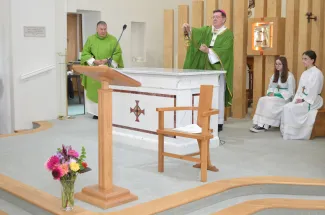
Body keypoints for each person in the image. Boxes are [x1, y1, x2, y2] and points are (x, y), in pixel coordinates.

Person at [182, 9, 234, 132]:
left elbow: (225, 51)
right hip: (204, 68)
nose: (214, 19)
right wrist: (188, 29)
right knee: (203, 94)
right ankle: (203, 119)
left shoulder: (228, 34)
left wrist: (209, 51)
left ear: (224, 19)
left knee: (218, 95)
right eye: (213, 17)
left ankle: (218, 121)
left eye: (217, 17)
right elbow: (196, 34)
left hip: (217, 68)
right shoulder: (206, 30)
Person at [80, 21, 124, 119]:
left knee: (108, 90)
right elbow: (85, 53)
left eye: (105, 29)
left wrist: (107, 60)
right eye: (101, 29)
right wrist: (94, 61)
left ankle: (108, 112)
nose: (103, 31)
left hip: (108, 70)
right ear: (97, 29)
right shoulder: (91, 39)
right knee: (95, 90)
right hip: (95, 71)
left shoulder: (113, 40)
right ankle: (96, 113)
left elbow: (118, 54)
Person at [280, 50, 324, 140]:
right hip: (302, 98)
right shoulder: (305, 73)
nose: (303, 61)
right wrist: (296, 100)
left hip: (313, 100)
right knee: (287, 107)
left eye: (305, 59)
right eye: (302, 59)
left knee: (291, 108)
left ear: (312, 60)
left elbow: (314, 91)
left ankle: (294, 133)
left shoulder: (317, 73)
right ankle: (288, 132)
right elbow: (300, 90)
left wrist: (304, 100)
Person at [250, 56, 296, 132]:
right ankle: (259, 123)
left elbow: (291, 92)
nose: (277, 66)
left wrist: (277, 95)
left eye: (279, 64)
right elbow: (270, 87)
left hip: (284, 99)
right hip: (274, 96)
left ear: (284, 65)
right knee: (262, 99)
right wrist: (270, 93)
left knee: (269, 102)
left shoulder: (290, 76)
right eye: (276, 64)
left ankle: (265, 125)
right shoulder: (275, 75)